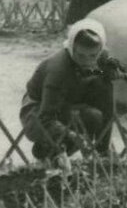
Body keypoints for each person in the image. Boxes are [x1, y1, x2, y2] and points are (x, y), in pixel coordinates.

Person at [20, 19, 121, 168]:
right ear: (71, 46)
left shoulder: (100, 55)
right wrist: (73, 136)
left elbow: (107, 67)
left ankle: (103, 150)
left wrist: (112, 70)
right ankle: (49, 149)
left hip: (67, 100)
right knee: (91, 117)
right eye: (80, 55)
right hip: (38, 110)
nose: (86, 61)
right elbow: (46, 118)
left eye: (92, 56)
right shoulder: (58, 70)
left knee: (104, 86)